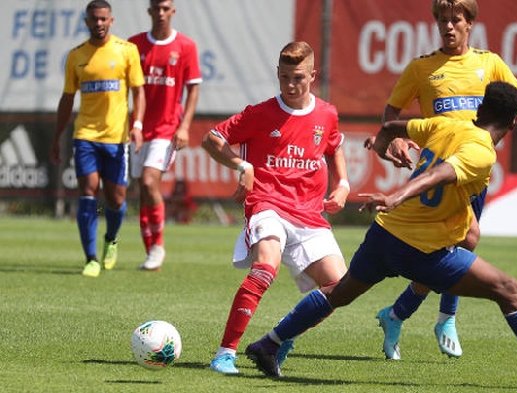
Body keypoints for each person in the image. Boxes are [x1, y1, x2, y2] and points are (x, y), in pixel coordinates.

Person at [245, 82, 517, 390]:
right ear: (514, 121)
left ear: (481, 107)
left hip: (385, 234)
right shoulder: (482, 152)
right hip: (421, 249)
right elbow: (439, 176)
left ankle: (269, 343)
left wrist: (388, 146)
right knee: (510, 291)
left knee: (340, 293)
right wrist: (396, 194)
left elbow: (393, 126)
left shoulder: (447, 126)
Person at [366, 0, 517, 360]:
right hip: (437, 172)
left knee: (456, 247)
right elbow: (392, 112)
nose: (448, 26)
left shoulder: (489, 63)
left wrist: (497, 114)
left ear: (470, 22)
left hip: (471, 171)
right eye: (442, 20)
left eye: (455, 19)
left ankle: (398, 314)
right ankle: (446, 316)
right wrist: (396, 139)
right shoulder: (423, 68)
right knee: (465, 239)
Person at [201, 41, 350, 375]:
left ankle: (276, 340)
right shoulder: (261, 113)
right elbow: (211, 139)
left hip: (310, 213)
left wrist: (343, 184)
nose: (290, 85)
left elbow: (335, 145)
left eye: (297, 77)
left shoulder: (326, 113)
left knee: (340, 289)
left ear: (314, 75)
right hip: (267, 203)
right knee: (266, 267)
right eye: (283, 77)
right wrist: (242, 166)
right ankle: (224, 354)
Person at [50, 0, 145, 278]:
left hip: (117, 138)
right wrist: (57, 137)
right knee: (89, 190)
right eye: (94, 19)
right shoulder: (76, 56)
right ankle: (90, 258)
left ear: (111, 21)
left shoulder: (127, 52)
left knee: (116, 198)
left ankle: (111, 240)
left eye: (104, 18)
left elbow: (139, 93)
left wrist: (137, 125)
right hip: (85, 136)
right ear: (87, 21)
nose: (99, 23)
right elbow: (67, 99)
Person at [128, 0, 202, 271]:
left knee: (149, 182)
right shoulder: (134, 45)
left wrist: (184, 127)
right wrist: (132, 123)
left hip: (167, 127)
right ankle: (150, 250)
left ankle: (158, 246)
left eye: (165, 8)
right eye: (156, 8)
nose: (161, 13)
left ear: (173, 11)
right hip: (138, 129)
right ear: (149, 11)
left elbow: (193, 89)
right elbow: (128, 90)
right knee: (143, 190)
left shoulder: (185, 46)